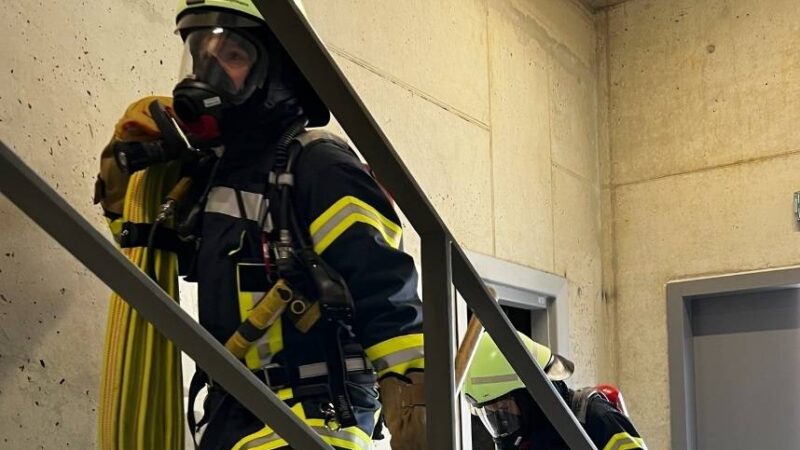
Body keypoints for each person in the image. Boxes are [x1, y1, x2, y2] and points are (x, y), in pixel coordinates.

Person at [97, 1, 426, 449]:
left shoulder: (319, 166)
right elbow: (143, 253)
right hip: (232, 419)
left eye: (232, 57)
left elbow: (385, 292)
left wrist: (419, 409)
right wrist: (126, 177)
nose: (207, 75)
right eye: (202, 56)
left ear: (281, 73)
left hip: (311, 422)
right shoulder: (211, 176)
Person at [464, 333, 647, 450]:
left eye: (504, 405)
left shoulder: (595, 418)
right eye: (489, 412)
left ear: (530, 396)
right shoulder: (519, 441)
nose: (501, 417)